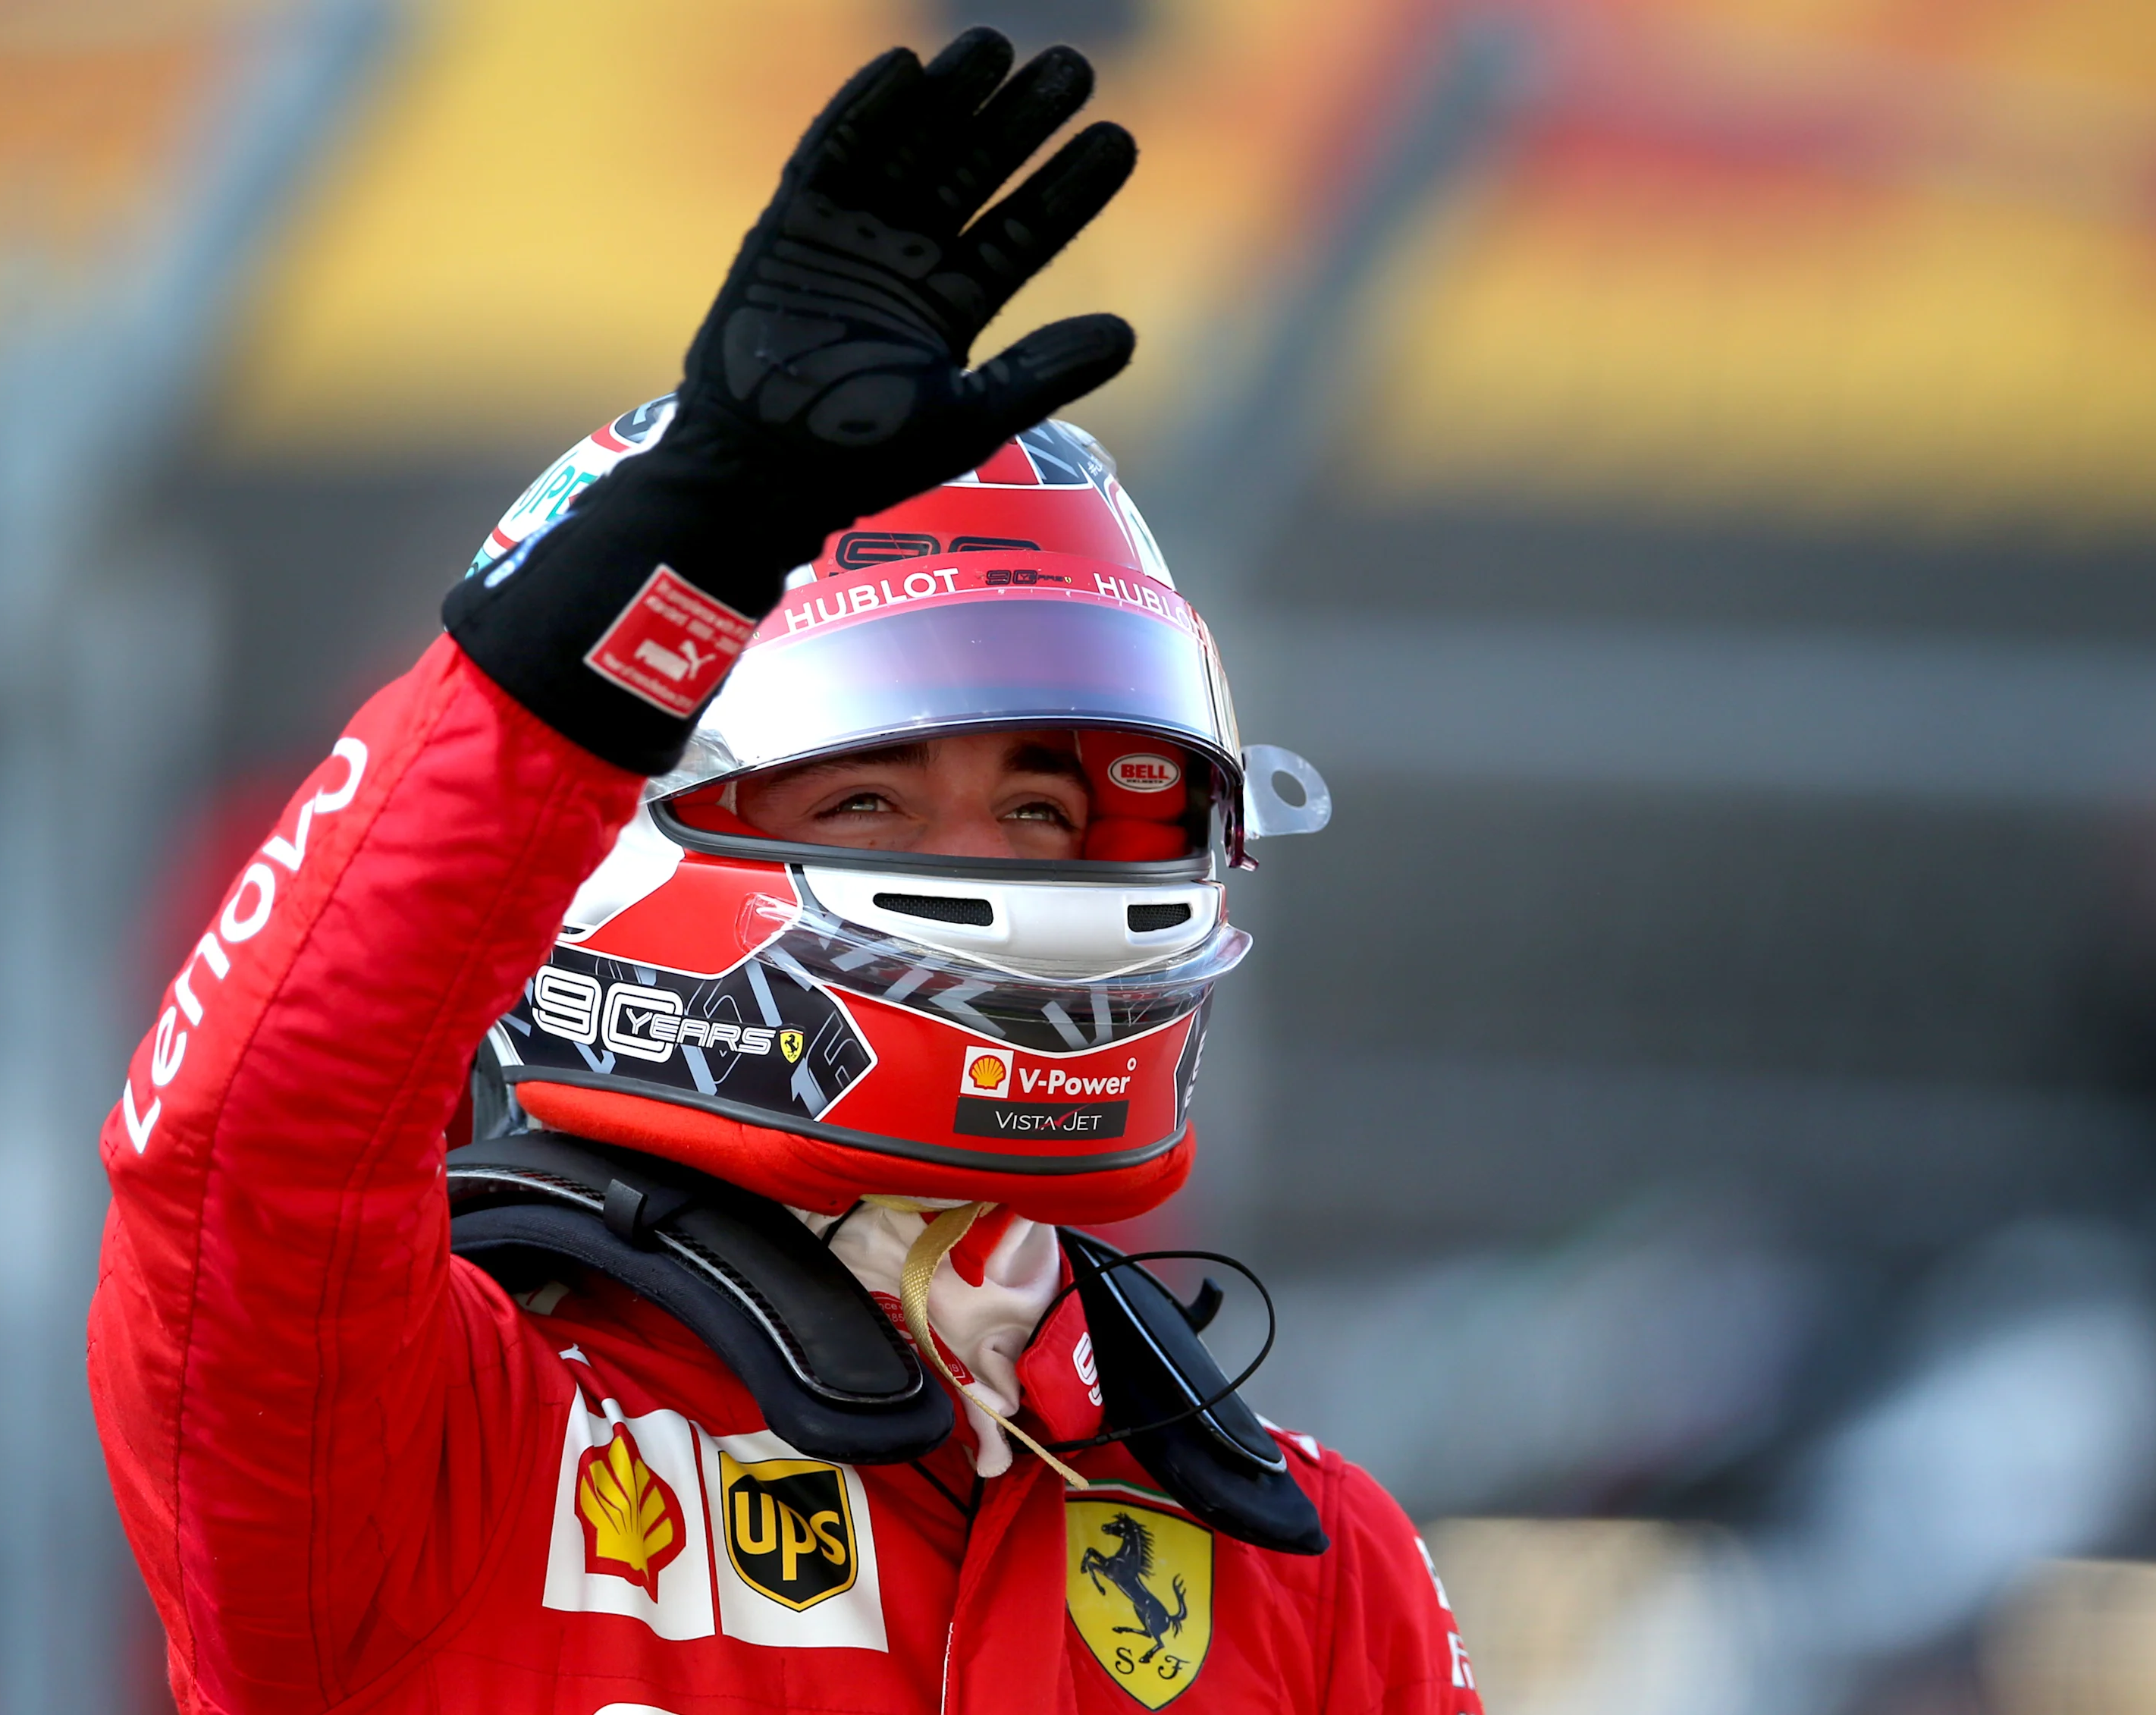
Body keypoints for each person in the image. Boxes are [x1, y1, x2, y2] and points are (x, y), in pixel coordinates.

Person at [89, 30, 1483, 1715]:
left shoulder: (1309, 1567)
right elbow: (248, 1147)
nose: (991, 857)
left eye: (1041, 808)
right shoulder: (424, 1449)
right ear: (609, 836)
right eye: (875, 802)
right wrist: (676, 547)